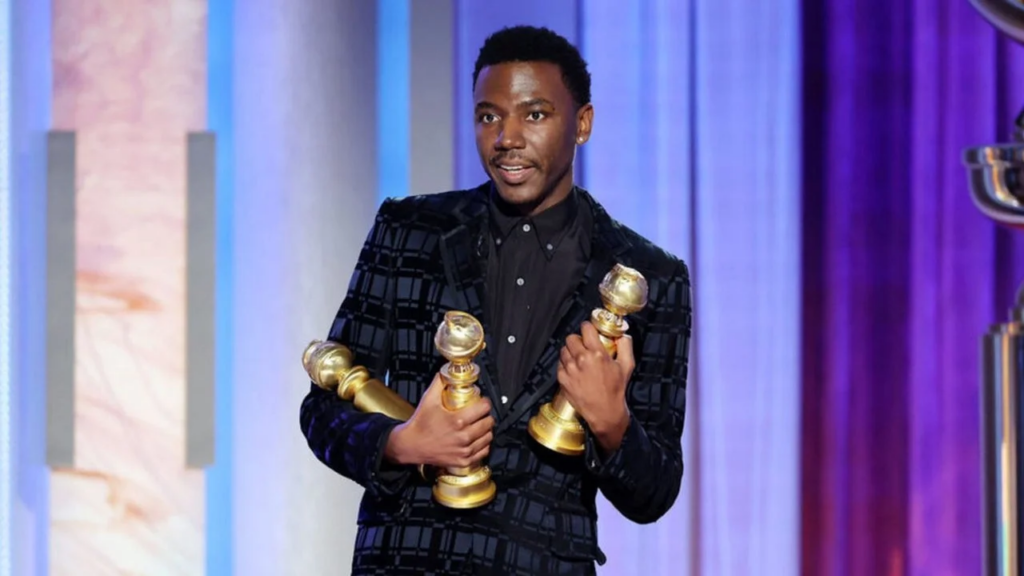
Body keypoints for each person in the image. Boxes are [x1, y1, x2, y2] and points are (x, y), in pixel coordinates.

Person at [299, 25, 692, 576]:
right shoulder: (409, 230)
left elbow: (654, 494)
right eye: (489, 116)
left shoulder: (649, 275)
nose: (507, 137)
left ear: (582, 124)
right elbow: (321, 409)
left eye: (534, 115)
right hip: (406, 559)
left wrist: (611, 422)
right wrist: (403, 443)